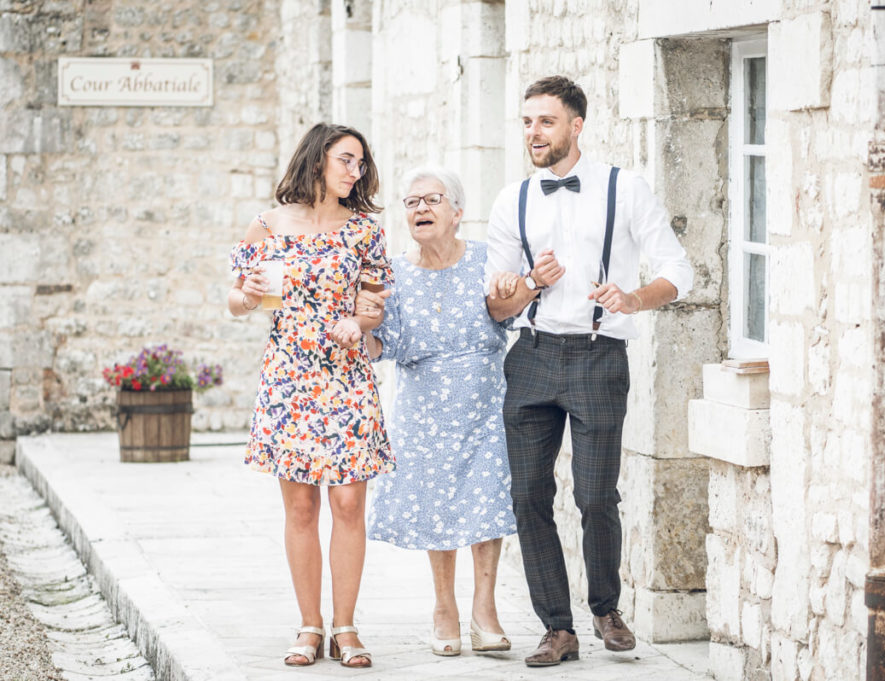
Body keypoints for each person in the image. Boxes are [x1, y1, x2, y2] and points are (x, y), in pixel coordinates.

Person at [484, 76, 695, 667]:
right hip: (529, 356)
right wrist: (528, 285)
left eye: (545, 122)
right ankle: (558, 628)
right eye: (527, 122)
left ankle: (605, 607)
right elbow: (498, 303)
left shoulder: (624, 189)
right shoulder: (512, 201)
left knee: (596, 495)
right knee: (527, 495)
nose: (534, 133)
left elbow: (680, 270)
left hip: (600, 355)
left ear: (576, 125)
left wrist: (633, 298)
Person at [228, 123, 394, 670]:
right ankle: (309, 626)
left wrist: (357, 319)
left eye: (361, 163)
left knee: (348, 502)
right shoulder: (268, 225)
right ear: (317, 160)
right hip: (290, 378)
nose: (356, 171)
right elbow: (237, 300)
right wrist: (247, 296)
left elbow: (376, 306)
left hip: (346, 376)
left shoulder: (365, 231)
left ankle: (345, 627)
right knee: (301, 505)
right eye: (347, 160)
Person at [356, 166, 518, 657]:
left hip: (485, 398)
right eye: (411, 202)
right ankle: (444, 606)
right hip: (422, 403)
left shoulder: (489, 260)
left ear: (458, 213)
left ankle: (485, 608)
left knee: (487, 498)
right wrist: (365, 325)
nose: (420, 209)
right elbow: (384, 345)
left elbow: (512, 314)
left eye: (432, 200)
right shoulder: (395, 273)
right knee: (435, 502)